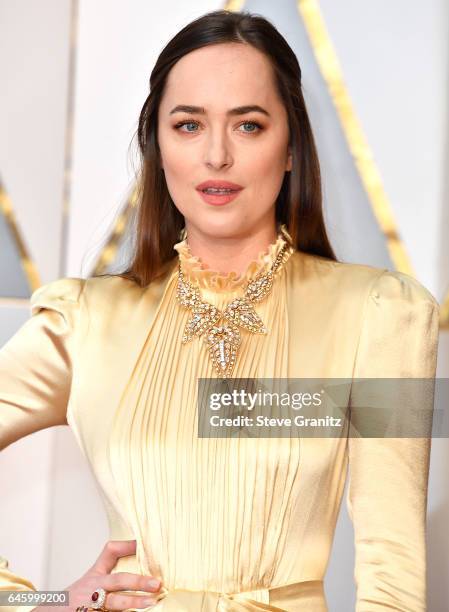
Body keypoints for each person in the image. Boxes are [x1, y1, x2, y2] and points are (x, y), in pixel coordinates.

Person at [0, 9, 440, 612]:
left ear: (291, 148)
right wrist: (42, 601)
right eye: (187, 125)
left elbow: (395, 573)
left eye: (249, 126)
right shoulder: (83, 322)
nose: (216, 155)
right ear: (157, 147)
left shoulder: (382, 313)